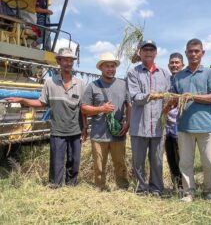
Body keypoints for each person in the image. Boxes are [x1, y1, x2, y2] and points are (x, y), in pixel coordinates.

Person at [5, 47, 87, 187]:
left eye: (71, 60)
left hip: (75, 129)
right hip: (57, 130)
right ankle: (55, 186)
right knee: (56, 162)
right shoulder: (50, 82)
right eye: (65, 60)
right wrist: (22, 100)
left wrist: (85, 128)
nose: (68, 63)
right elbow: (41, 102)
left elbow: (83, 109)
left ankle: (72, 186)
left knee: (74, 161)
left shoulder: (80, 84)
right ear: (59, 62)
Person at [172, 38, 211, 202]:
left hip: (206, 126)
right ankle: (189, 192)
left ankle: (209, 192)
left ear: (202, 53)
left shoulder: (210, 73)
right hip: (184, 126)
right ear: (186, 53)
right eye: (190, 51)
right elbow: (174, 98)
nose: (193, 54)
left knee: (210, 162)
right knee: (185, 163)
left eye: (196, 51)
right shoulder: (178, 76)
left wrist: (192, 96)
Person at [81, 53, 130, 191]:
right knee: (99, 163)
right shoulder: (93, 86)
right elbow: (84, 108)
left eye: (113, 66)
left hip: (118, 132)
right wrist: (102, 108)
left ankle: (122, 186)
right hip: (99, 133)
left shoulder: (123, 84)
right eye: (107, 66)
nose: (110, 69)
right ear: (101, 68)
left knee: (120, 162)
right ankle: (100, 187)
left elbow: (129, 105)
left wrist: (128, 122)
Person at [127, 40, 170, 196]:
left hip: (158, 126)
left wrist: (169, 104)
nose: (148, 53)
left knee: (157, 161)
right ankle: (141, 188)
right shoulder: (133, 72)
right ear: (140, 53)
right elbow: (135, 96)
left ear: (156, 53)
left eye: (151, 50)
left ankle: (156, 188)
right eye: (145, 50)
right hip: (139, 126)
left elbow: (168, 97)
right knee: (138, 161)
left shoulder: (164, 73)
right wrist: (150, 95)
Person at [162, 52, 185, 191]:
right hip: (167, 125)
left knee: (183, 158)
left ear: (182, 65)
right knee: (171, 157)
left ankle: (185, 185)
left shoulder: (185, 80)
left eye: (177, 62)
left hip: (180, 125)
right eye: (172, 63)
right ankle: (176, 185)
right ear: (168, 65)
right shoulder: (166, 81)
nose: (175, 65)